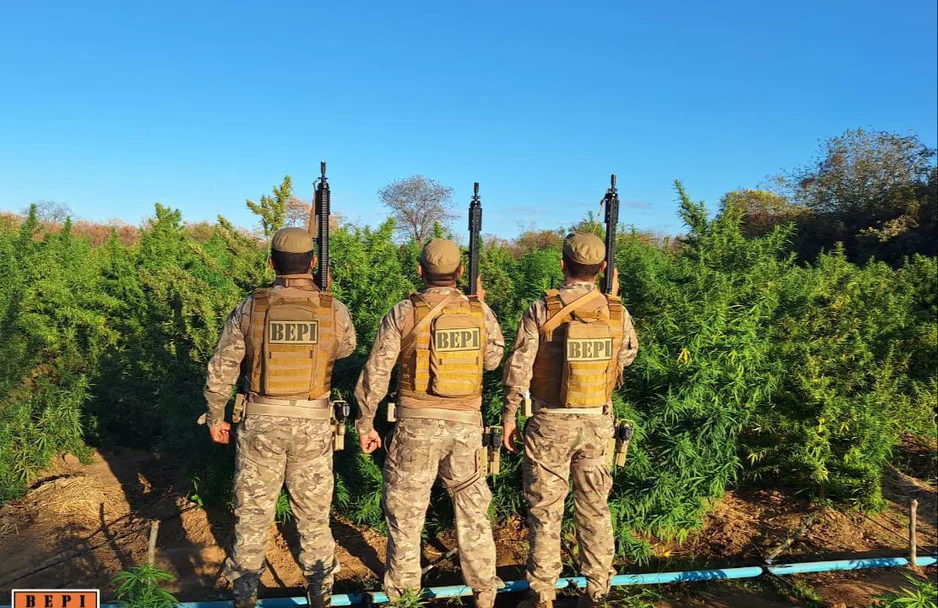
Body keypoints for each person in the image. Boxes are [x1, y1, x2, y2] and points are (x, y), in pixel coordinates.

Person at [201, 227, 357, 608]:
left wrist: (215, 415)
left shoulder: (251, 306)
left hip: (259, 422)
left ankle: (244, 598)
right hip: (314, 423)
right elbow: (347, 348)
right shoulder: (331, 308)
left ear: (272, 263)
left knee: (253, 517)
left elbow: (222, 366)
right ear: (314, 264)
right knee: (314, 518)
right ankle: (320, 598)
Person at [354, 238, 505, 608]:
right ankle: (485, 595)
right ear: (460, 274)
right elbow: (493, 361)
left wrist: (365, 422)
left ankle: (405, 598)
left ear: (421, 271)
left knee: (405, 517)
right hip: (466, 428)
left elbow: (377, 371)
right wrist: (478, 304)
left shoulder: (403, 312)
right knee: (472, 512)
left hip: (414, 427)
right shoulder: (478, 311)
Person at [502, 232, 639, 608]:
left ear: (562, 264)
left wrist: (510, 416)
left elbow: (519, 367)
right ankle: (598, 591)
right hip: (597, 422)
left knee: (546, 510)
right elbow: (626, 356)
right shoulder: (616, 310)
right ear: (601, 269)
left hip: (549, 422)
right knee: (594, 507)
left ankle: (543, 594)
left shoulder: (541, 308)